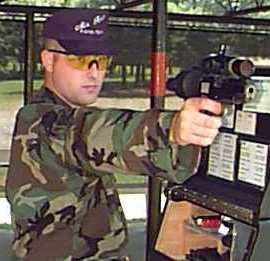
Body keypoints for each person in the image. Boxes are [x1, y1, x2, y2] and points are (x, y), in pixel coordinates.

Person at [5, 9, 222, 261]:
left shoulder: (63, 113)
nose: (94, 72)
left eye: (102, 60)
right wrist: (170, 128)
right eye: (80, 60)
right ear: (49, 60)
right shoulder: (40, 120)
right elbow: (95, 132)